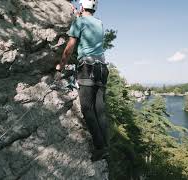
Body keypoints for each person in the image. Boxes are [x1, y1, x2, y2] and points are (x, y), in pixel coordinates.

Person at [56, 0, 109, 161]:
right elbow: (88, 26)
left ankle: (100, 148)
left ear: (81, 6)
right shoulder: (99, 23)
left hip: (87, 68)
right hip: (102, 68)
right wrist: (80, 16)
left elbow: (70, 46)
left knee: (87, 108)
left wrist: (61, 66)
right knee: (99, 109)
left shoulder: (79, 22)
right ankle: (106, 145)